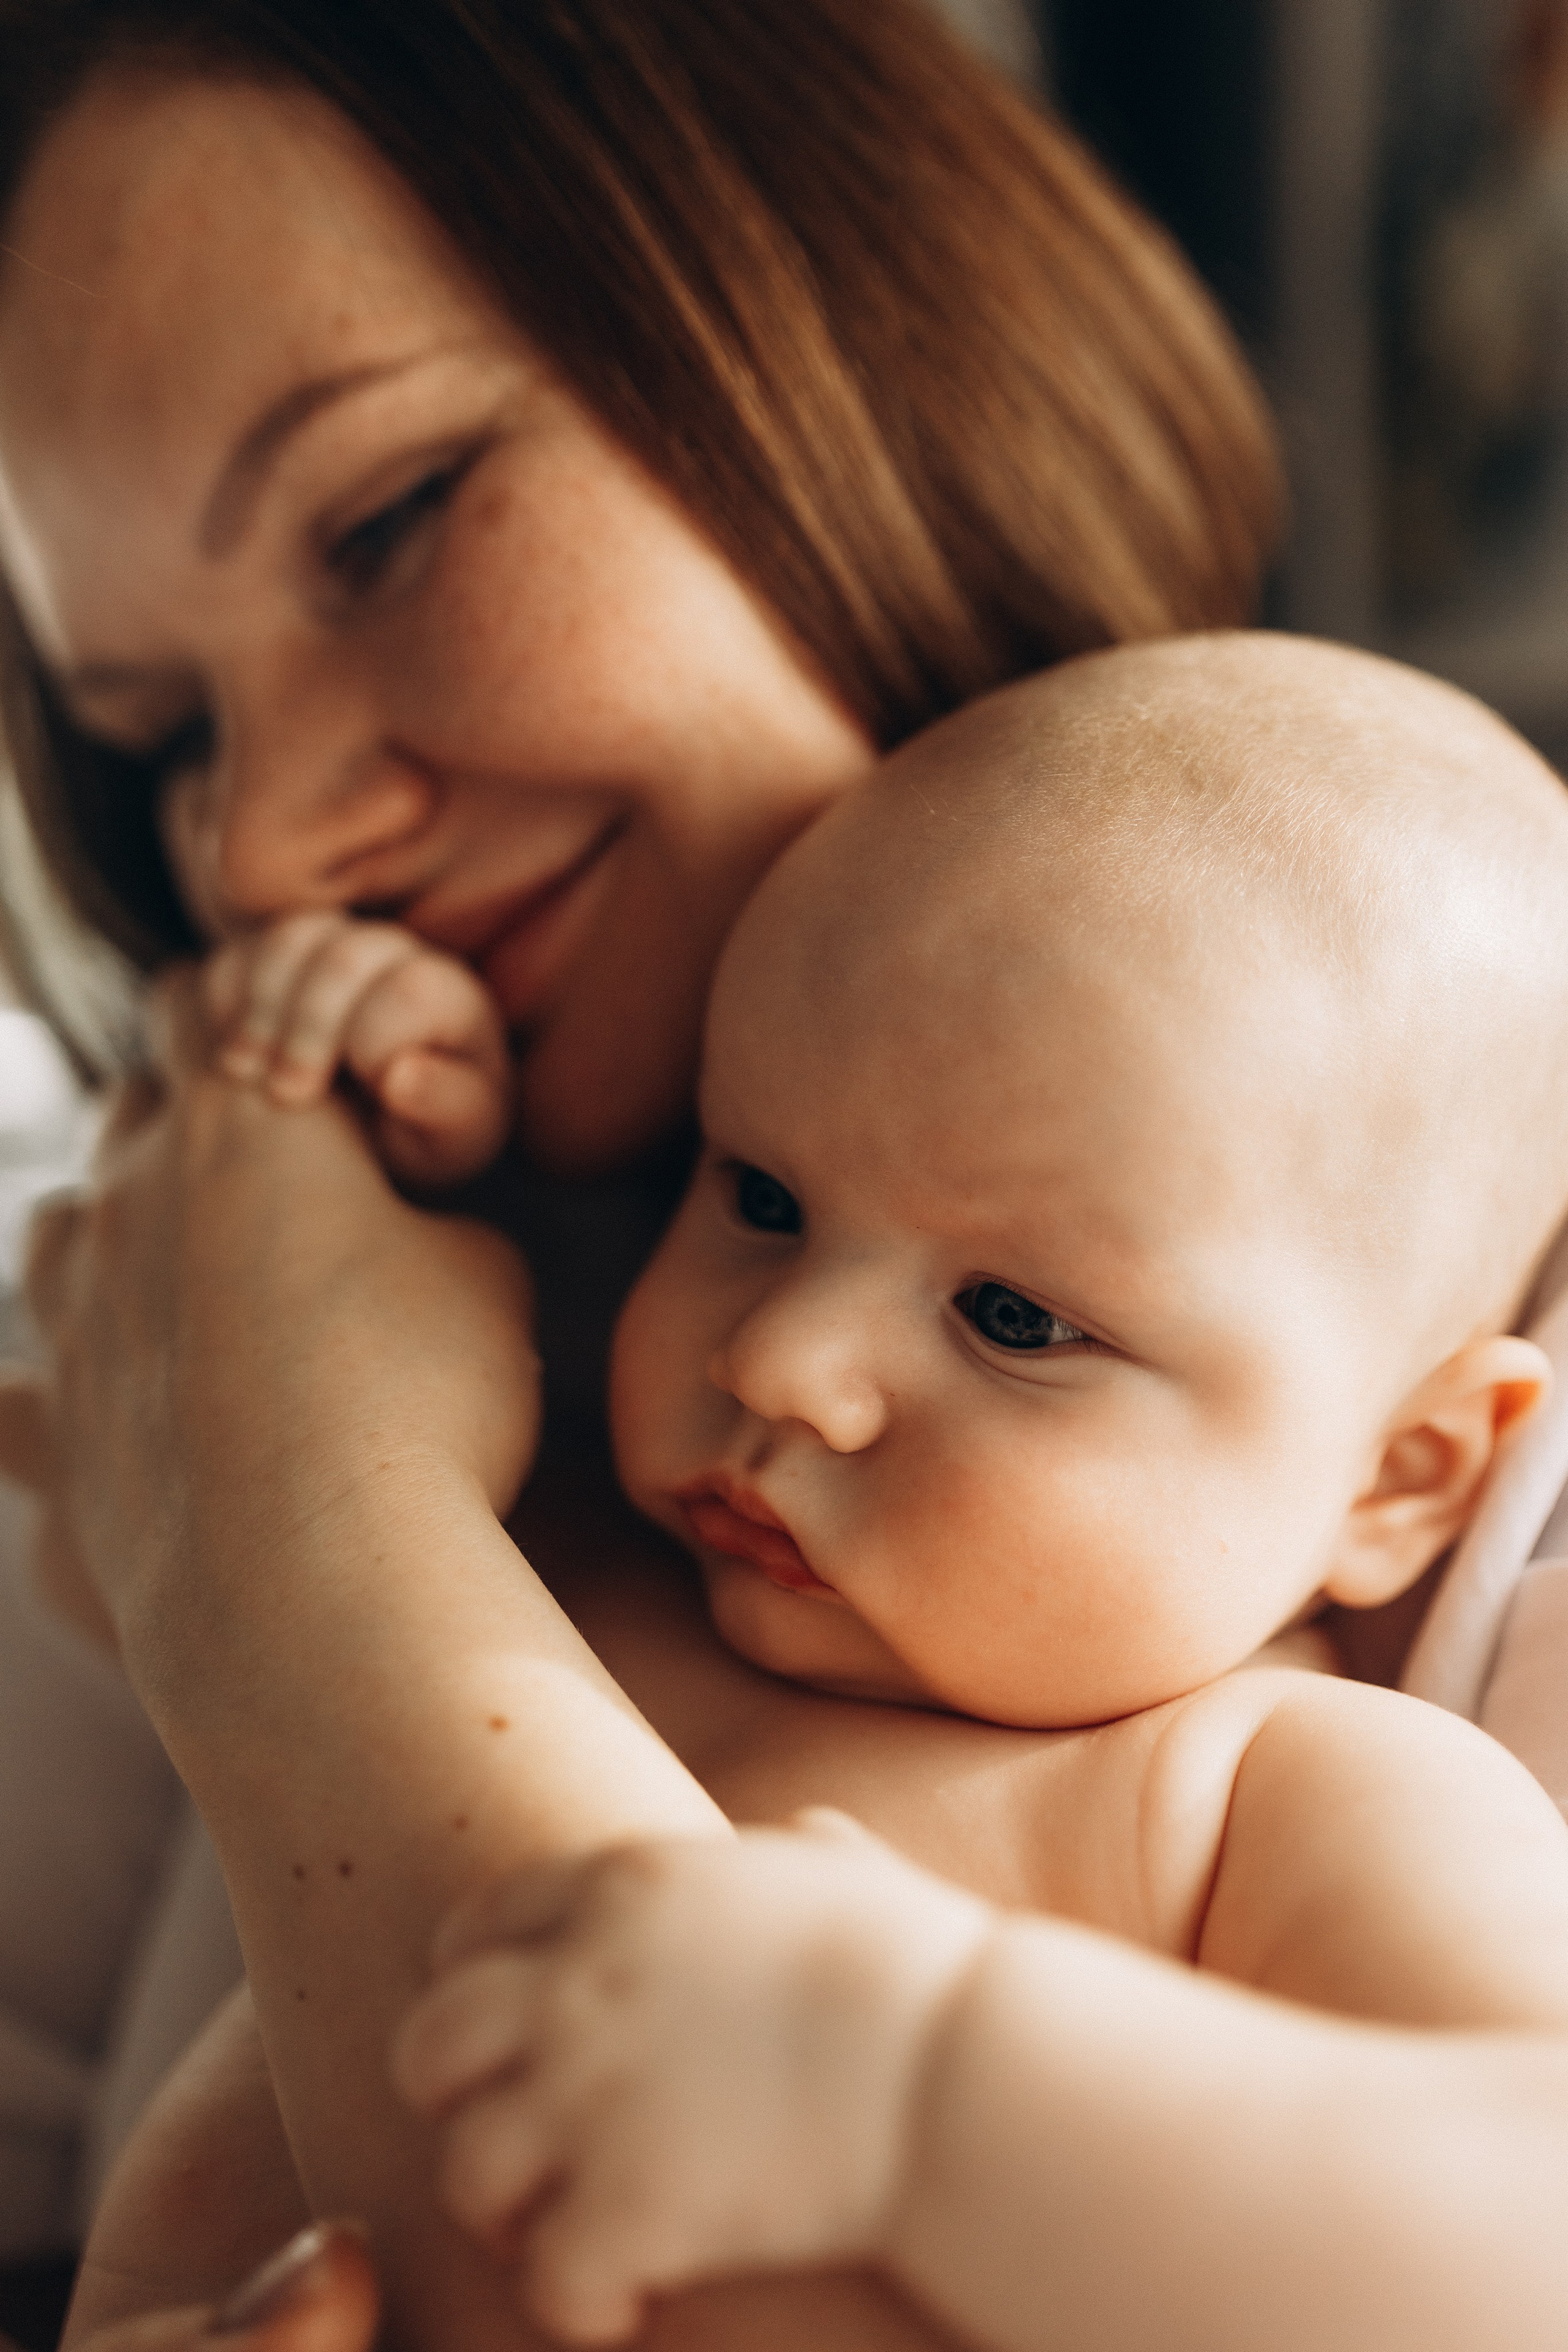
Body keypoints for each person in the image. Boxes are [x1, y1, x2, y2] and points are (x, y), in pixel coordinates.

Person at [0, 0, 1289, 2344]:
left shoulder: (1473, 1315)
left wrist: (298, 1534)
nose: (272, 844)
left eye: (388, 523)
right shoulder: (189, 1304)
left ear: (851, 319)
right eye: (163, 740)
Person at [385, 632, 1568, 2349]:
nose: (779, 1361)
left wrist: (922, 2081)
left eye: (1015, 1318)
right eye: (763, 1195)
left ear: (1398, 1476)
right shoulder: (576, 1562)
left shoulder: (1266, 1791)